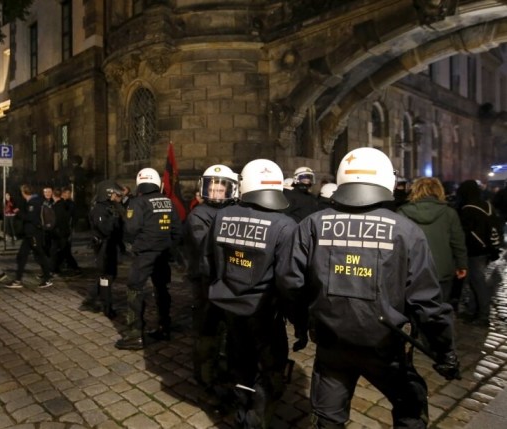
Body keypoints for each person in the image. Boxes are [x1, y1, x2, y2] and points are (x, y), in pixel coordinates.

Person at [282, 147, 460, 428]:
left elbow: (291, 285)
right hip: (385, 346)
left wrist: (303, 325)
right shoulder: (406, 230)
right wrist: (444, 349)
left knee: (328, 418)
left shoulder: (312, 225)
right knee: (411, 408)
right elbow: (426, 303)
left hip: (332, 342)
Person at [205, 159, 297, 427]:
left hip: (230, 305)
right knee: (269, 369)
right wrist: (297, 319)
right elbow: (289, 279)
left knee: (239, 361)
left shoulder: (222, 215)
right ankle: (256, 419)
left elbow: (210, 260)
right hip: (264, 312)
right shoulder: (284, 224)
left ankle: (242, 410)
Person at [115, 167, 181, 350]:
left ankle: (135, 334)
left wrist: (132, 244)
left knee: (134, 289)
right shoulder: (168, 201)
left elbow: (130, 229)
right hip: (163, 253)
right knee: (162, 288)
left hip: (144, 254)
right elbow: (177, 229)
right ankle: (164, 326)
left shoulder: (138, 202)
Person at [184, 164, 238, 390]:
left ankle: (223, 366)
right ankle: (205, 377)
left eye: (220, 189)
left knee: (225, 327)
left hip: (225, 279)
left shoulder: (232, 210)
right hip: (205, 279)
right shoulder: (199, 214)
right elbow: (206, 245)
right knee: (206, 330)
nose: (216, 193)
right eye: (212, 188)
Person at [397, 177, 468, 306]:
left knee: (413, 307)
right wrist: (461, 264)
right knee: (440, 307)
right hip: (442, 269)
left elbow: (398, 243)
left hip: (413, 269)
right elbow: (457, 241)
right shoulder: (449, 213)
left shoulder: (403, 211)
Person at [80, 181, 125, 317]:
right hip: (103, 248)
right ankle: (107, 307)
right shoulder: (99, 209)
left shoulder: (111, 207)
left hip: (111, 246)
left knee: (109, 275)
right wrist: (114, 218)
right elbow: (105, 229)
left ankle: (91, 298)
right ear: (108, 194)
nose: (118, 197)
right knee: (106, 276)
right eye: (115, 194)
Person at [456, 179, 496, 326]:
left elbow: (465, 232)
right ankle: (473, 311)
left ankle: (483, 315)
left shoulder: (468, 208)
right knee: (474, 281)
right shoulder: (487, 205)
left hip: (474, 250)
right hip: (486, 250)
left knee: (478, 283)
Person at [6, 184, 53, 289]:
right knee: (21, 256)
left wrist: (18, 213)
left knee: (40, 255)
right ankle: (18, 279)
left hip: (34, 233)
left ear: (24, 193)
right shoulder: (33, 201)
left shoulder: (34, 202)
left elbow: (30, 217)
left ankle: (47, 278)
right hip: (30, 234)